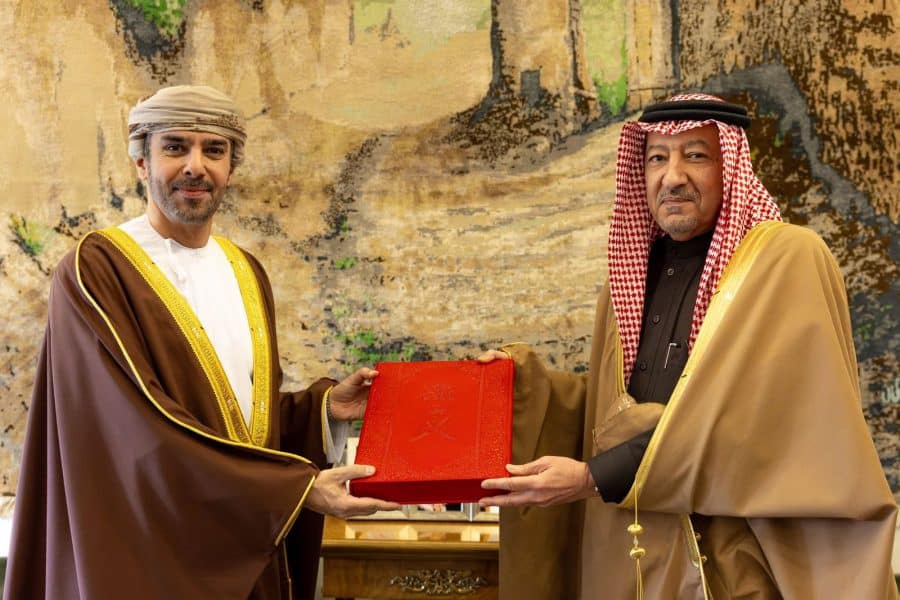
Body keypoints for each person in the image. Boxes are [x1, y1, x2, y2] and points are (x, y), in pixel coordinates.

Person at [477, 93, 897, 599]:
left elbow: (764, 419)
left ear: (731, 167)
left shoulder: (785, 260)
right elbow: (613, 407)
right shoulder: (630, 278)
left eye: (695, 155)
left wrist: (594, 477)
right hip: (635, 557)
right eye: (657, 158)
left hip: (734, 563)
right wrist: (521, 386)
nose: (672, 176)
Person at [3, 85, 400, 600]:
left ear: (231, 168)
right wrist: (294, 487)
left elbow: (238, 423)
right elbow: (136, 430)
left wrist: (321, 410)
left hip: (242, 547)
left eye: (214, 150)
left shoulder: (246, 270)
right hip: (146, 553)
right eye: (175, 147)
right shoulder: (96, 269)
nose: (196, 166)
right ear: (142, 162)